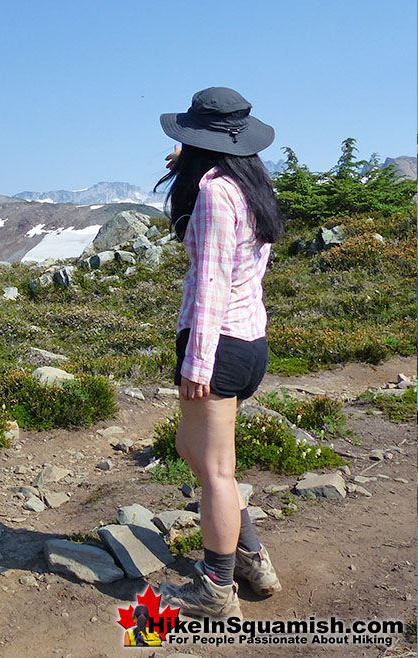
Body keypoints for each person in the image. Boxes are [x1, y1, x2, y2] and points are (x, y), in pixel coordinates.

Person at [152, 87, 286, 620]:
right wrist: (191, 161)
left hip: (218, 342)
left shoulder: (213, 195)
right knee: (199, 453)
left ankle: (216, 588)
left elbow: (209, 284)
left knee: (214, 473)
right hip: (250, 340)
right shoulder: (252, 184)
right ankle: (250, 555)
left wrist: (197, 364)